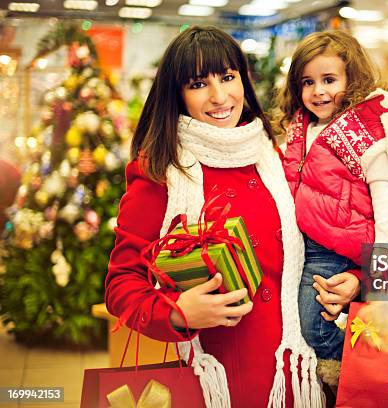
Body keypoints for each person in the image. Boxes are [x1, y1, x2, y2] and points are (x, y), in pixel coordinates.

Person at [105, 26, 323, 408]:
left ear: (244, 80)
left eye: (227, 77)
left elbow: (323, 241)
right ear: (177, 93)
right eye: (198, 84)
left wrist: (352, 280)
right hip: (215, 381)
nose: (220, 96)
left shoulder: (278, 152)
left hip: (295, 374)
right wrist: (176, 313)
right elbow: (121, 285)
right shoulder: (160, 170)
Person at [275, 30, 388, 381]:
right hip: (301, 245)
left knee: (314, 323)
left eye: (329, 79)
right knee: (299, 321)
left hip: (334, 249)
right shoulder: (300, 129)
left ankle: (344, 372)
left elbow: (386, 199)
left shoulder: (368, 134)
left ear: (352, 79)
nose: (318, 91)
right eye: (308, 82)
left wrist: (379, 264)